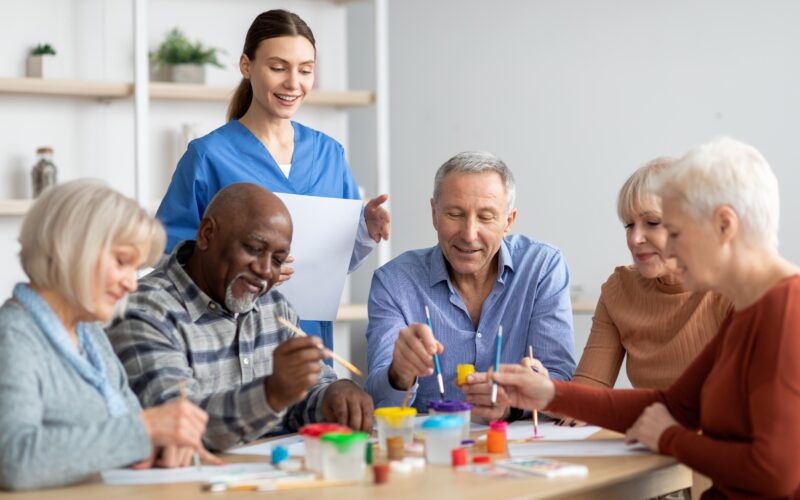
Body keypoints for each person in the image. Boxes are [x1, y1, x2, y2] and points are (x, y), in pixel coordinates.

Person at [490, 137, 800, 499]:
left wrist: (670, 438)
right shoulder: (750, 308)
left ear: (724, 225)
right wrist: (549, 393)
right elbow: (675, 406)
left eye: (677, 232)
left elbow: (774, 474)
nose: (667, 247)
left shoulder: (786, 311)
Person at [155, 9, 390, 352]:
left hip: (308, 342)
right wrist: (244, 272)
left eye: (305, 70)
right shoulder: (208, 156)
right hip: (231, 346)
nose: (293, 83)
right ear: (246, 66)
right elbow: (169, 258)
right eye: (278, 68)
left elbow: (333, 262)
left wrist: (363, 230)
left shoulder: (329, 154)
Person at [109, 183, 374, 452]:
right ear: (207, 234)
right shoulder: (145, 311)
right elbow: (175, 425)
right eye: (254, 249)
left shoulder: (274, 308)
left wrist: (332, 397)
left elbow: (303, 397)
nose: (265, 271)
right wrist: (270, 395)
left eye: (278, 260)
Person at [0, 180, 215, 491]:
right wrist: (146, 430)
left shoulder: (91, 336)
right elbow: (13, 461)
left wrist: (159, 445)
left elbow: (124, 436)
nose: (131, 283)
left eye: (136, 268)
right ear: (71, 247)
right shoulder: (13, 337)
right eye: (122, 262)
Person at [364, 151, 576, 420]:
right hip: (431, 448)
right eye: (454, 214)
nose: (469, 234)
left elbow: (560, 378)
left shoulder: (542, 267)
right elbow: (378, 399)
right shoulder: (393, 282)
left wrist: (516, 401)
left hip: (516, 443)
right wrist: (399, 372)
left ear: (508, 221)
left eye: (486, 217)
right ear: (434, 214)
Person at [571, 158, 731, 391]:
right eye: (629, 225)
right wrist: (545, 389)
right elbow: (587, 390)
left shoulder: (734, 289)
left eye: (653, 222)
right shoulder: (620, 289)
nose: (635, 239)